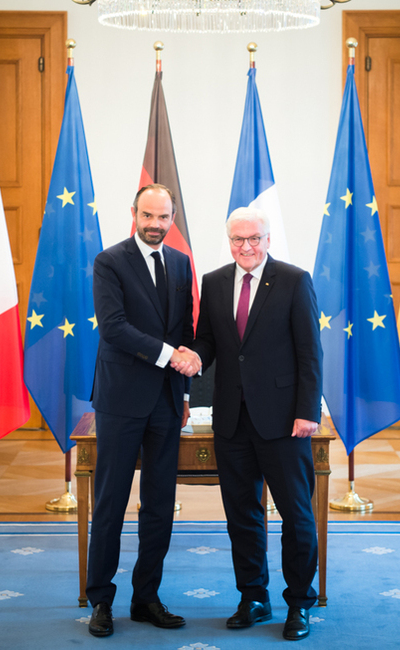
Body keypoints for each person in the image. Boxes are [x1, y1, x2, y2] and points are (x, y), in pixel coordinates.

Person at [176, 207, 322, 641]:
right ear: (229, 241)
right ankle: (253, 597)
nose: (246, 247)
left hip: (282, 421)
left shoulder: (295, 281)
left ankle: (299, 603)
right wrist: (195, 356)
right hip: (232, 420)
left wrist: (307, 411)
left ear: (268, 239)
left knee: (296, 515)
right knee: (241, 514)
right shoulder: (215, 282)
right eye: (238, 240)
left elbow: (309, 352)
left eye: (254, 239)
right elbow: (209, 340)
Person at [86, 184, 198, 638]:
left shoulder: (180, 262)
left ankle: (146, 597)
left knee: (160, 505)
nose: (155, 224)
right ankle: (100, 599)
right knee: (110, 501)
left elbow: (183, 329)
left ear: (173, 218)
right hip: (121, 400)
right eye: (147, 215)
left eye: (163, 217)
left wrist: (186, 393)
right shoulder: (109, 261)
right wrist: (170, 356)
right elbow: (113, 328)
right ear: (133, 213)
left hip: (168, 402)